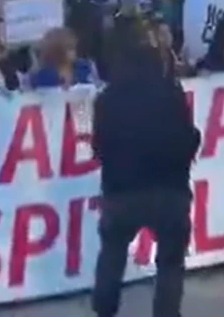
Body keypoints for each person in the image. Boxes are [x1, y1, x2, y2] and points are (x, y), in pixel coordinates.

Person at [91, 16, 200, 317]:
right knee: (170, 263)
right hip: (169, 189)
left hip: (121, 190)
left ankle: (104, 309)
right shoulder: (170, 94)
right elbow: (186, 136)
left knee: (112, 254)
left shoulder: (107, 99)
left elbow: (100, 145)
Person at [27, 27, 99, 90]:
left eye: (74, 47)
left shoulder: (85, 67)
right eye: (70, 48)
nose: (75, 51)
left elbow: (97, 87)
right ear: (56, 51)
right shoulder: (41, 74)